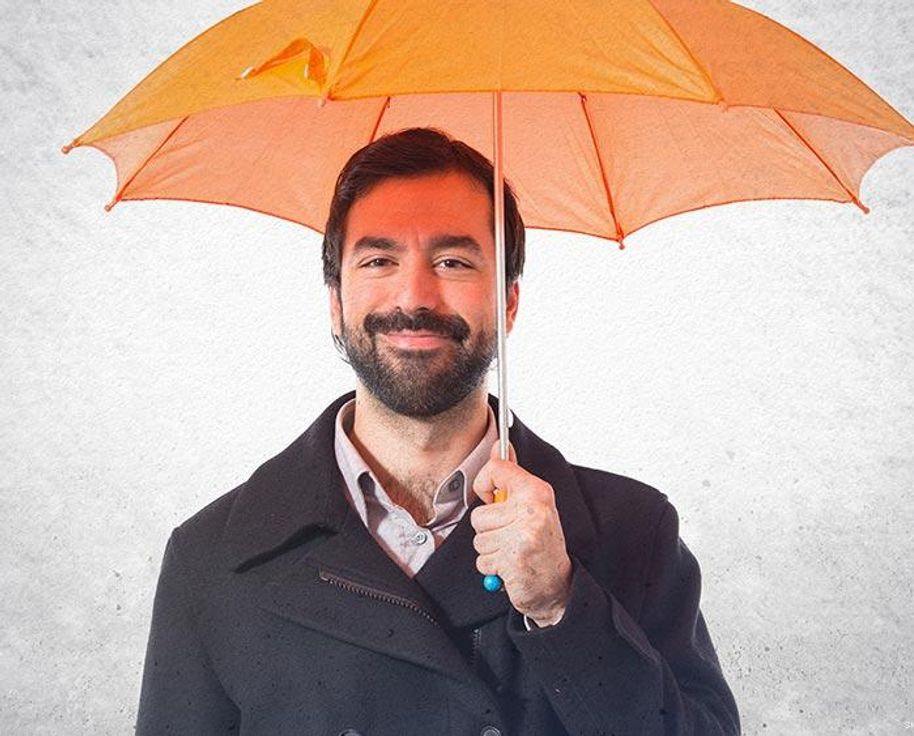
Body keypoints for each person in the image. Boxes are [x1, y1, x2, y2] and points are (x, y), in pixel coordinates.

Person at [135, 128, 740, 736]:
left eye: (453, 261)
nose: (415, 296)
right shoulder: (212, 557)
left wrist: (561, 603)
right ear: (335, 301)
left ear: (507, 302)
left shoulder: (634, 531)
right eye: (378, 260)